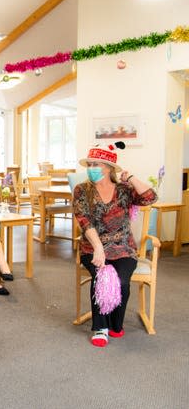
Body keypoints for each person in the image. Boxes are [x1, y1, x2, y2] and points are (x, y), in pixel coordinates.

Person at [73, 144, 157, 347]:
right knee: (103, 276)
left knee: (122, 281)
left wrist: (130, 179)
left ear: (108, 168)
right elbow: (84, 221)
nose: (91, 167)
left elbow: (150, 197)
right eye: (89, 164)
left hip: (123, 248)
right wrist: (98, 248)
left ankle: (115, 324)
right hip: (92, 248)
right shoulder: (82, 190)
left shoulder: (124, 190)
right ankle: (100, 327)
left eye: (96, 164)